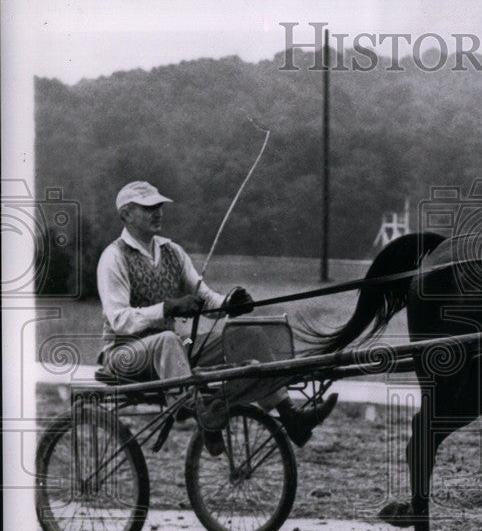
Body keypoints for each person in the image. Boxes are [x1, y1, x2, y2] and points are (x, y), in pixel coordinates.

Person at [97, 180, 336, 453]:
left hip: (172, 352)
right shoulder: (114, 257)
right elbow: (118, 319)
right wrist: (168, 307)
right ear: (126, 214)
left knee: (248, 335)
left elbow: (206, 297)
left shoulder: (172, 252)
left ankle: (290, 416)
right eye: (149, 207)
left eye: (160, 206)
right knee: (167, 339)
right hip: (125, 355)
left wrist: (230, 303)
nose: (158, 212)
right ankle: (201, 413)